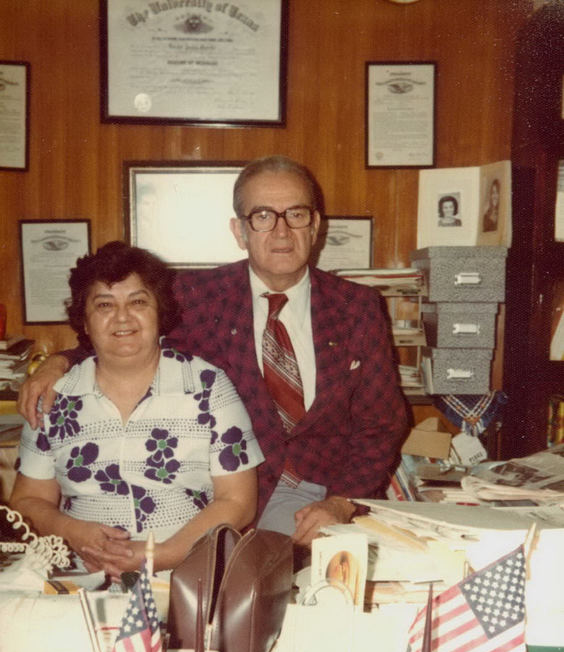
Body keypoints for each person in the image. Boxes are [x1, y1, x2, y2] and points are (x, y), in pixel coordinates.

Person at [18, 155, 408, 546]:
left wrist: (340, 503)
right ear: (239, 231)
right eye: (263, 216)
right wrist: (57, 363)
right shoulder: (197, 297)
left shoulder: (357, 307)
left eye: (296, 214)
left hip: (323, 496)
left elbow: (382, 424)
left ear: (317, 225)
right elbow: (125, 335)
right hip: (226, 496)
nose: (282, 231)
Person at [10, 242, 262, 578]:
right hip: (80, 578)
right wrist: (74, 532)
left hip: (185, 578)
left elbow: (238, 501)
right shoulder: (55, 397)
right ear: (84, 322)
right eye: (104, 305)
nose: (122, 316)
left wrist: (159, 554)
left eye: (138, 302)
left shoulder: (208, 386)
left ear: (160, 314)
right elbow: (27, 500)